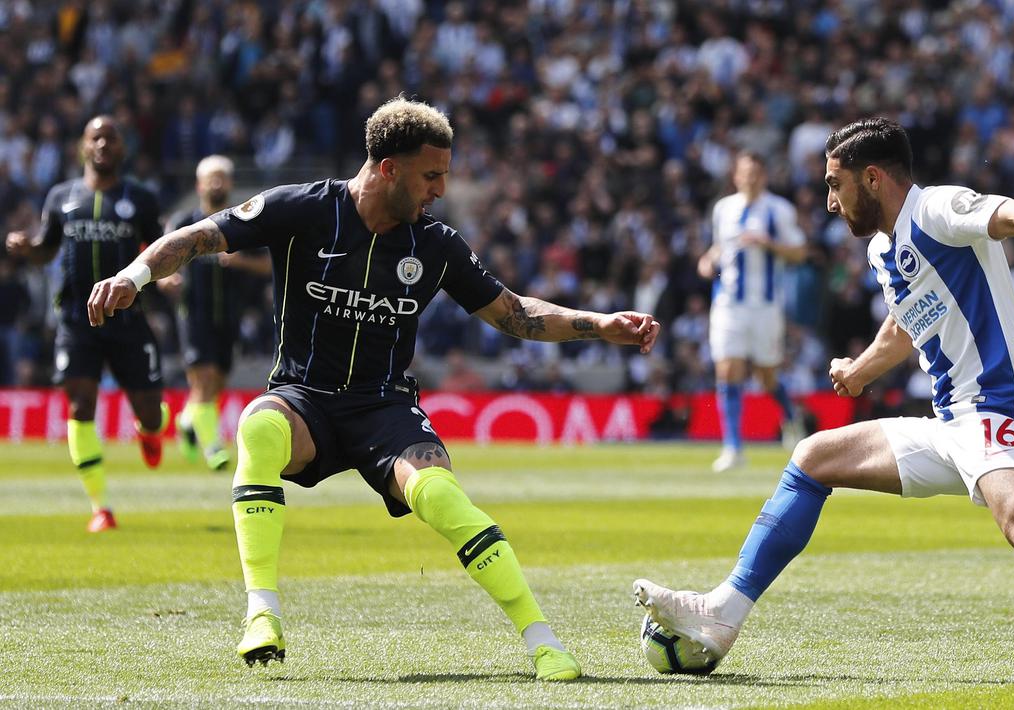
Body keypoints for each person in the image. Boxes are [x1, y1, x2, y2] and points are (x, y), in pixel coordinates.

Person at [88, 97, 661, 681]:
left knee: (440, 498)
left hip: (385, 406)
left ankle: (544, 641)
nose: (440, 189)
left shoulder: (435, 244)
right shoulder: (302, 208)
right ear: (389, 167)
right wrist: (130, 277)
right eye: (431, 175)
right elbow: (197, 236)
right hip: (304, 397)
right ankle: (262, 611)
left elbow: (514, 314)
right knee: (258, 426)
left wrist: (598, 323)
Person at [634, 118, 1014, 695]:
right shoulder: (885, 247)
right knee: (812, 457)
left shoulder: (938, 209)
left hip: (999, 406)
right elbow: (906, 326)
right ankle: (721, 614)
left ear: (873, 178)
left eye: (837, 184)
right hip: (953, 419)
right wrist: (858, 371)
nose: (831, 202)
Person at [5, 115, 168, 533]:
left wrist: (170, 276)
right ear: (83, 146)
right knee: (79, 408)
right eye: (95, 138)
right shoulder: (62, 196)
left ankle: (149, 431)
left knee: (152, 415)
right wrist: (28, 248)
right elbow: (47, 249)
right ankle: (101, 507)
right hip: (77, 321)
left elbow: (161, 249)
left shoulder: (141, 198)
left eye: (110, 138)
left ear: (122, 148)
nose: (102, 145)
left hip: (129, 320)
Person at [699, 151, 808, 473]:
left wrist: (769, 243)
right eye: (745, 173)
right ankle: (733, 447)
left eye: (756, 173)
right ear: (736, 176)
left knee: (765, 375)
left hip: (765, 306)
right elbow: (720, 248)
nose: (750, 178)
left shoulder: (779, 210)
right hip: (728, 304)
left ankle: (790, 417)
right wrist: (707, 261)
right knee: (727, 369)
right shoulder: (724, 209)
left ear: (764, 176)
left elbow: (800, 252)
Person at [164, 155, 271, 470]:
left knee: (217, 381)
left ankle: (187, 421)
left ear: (230, 183)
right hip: (194, 313)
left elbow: (267, 265)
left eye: (221, 177)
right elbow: (162, 256)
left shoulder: (240, 224)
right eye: (211, 177)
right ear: (199, 184)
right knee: (204, 377)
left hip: (229, 314)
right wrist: (167, 277)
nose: (216, 183)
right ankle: (213, 449)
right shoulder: (184, 222)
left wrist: (241, 262)